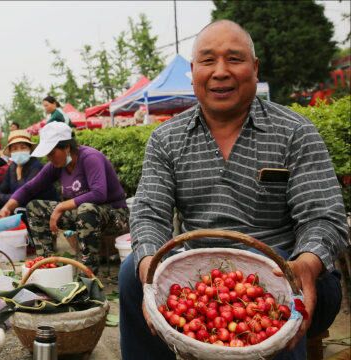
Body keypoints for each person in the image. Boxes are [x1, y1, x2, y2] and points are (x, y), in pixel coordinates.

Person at [119, 20, 348, 360]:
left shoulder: (294, 132)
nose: (221, 72)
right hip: (199, 273)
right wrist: (150, 267)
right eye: (208, 61)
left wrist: (306, 263)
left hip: (286, 262)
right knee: (131, 274)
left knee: (283, 297)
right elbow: (150, 213)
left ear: (254, 69)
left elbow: (324, 217)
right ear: (193, 71)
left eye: (235, 59)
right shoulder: (166, 140)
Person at [0, 123, 128, 271]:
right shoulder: (57, 165)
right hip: (83, 214)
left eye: (52, 153)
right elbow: (29, 188)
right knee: (34, 207)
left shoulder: (90, 158)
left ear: (67, 147)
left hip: (115, 215)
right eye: (47, 154)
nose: (49, 158)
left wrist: (61, 206)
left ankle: (88, 273)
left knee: (86, 209)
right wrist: (7, 208)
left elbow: (99, 193)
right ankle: (47, 264)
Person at [0, 130, 58, 214]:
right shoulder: (12, 167)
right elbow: (2, 188)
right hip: (20, 205)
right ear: (10, 152)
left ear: (30, 150)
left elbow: (26, 194)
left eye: (23, 147)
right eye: (14, 149)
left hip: (41, 209)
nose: (19, 151)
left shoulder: (36, 167)